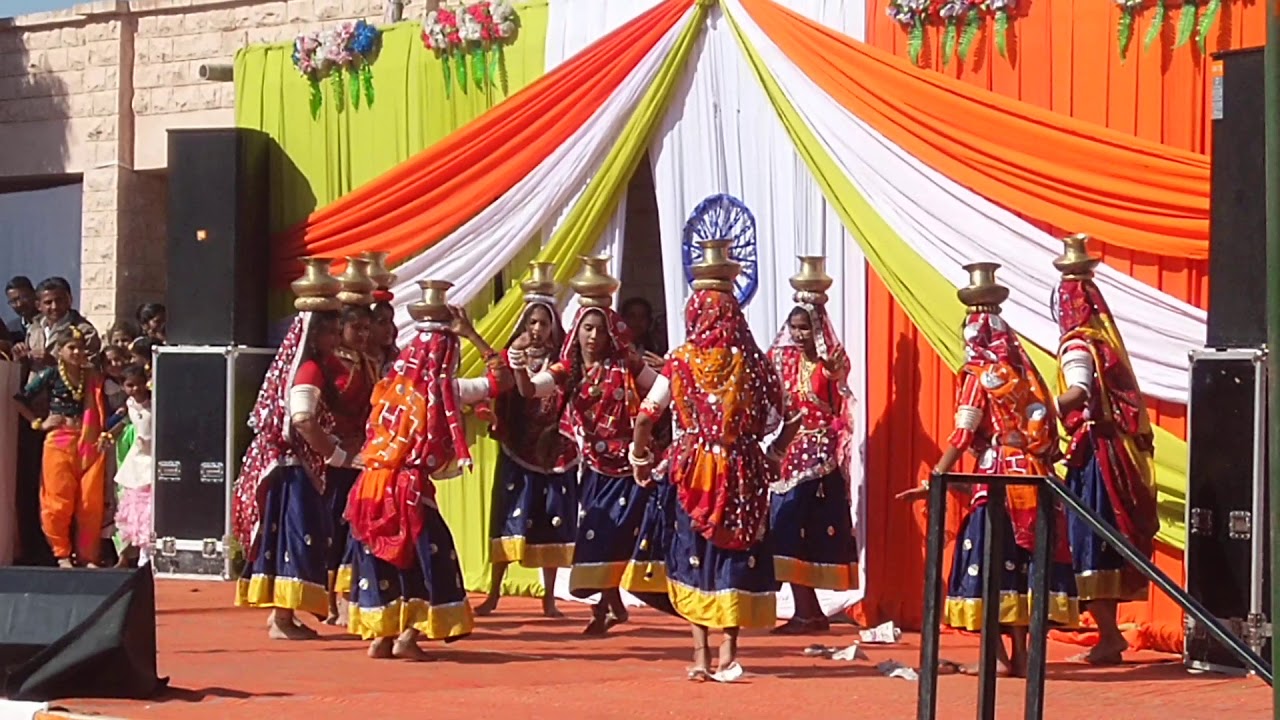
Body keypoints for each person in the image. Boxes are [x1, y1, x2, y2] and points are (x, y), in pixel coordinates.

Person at [897, 263, 1078, 677]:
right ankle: (1022, 657)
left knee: (991, 561)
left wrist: (936, 477)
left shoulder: (979, 376)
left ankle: (996, 659)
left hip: (996, 475)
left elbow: (962, 434)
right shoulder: (1027, 373)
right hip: (1034, 475)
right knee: (1022, 561)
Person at [629, 240, 794, 681]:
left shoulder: (679, 362)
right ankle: (728, 651)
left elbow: (647, 416)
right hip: (742, 469)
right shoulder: (755, 363)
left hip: (694, 469)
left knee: (694, 552)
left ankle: (700, 654)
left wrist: (640, 459)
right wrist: (773, 454)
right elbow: (783, 415)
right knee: (734, 551)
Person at [344, 282, 507, 660]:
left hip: (369, 486)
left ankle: (381, 637)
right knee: (424, 558)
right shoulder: (442, 389)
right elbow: (501, 382)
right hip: (407, 491)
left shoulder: (388, 385)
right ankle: (407, 637)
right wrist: (474, 337)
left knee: (381, 557)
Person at [514, 258, 660, 636]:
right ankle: (608, 606)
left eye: (599, 330)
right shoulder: (568, 370)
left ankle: (606, 608)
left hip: (631, 466)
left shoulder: (626, 367)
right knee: (598, 531)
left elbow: (661, 389)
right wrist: (516, 365)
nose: (592, 337)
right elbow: (531, 389)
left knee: (616, 536)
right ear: (576, 333)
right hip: (593, 467)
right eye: (586, 329)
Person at [1050, 235, 1158, 666]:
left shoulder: (1078, 344)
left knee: (1089, 540)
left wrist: (1037, 407)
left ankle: (1110, 636)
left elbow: (1078, 392)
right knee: (1098, 540)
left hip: (1092, 457)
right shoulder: (1103, 341)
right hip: (1103, 453)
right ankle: (1108, 635)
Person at [231, 273, 348, 641]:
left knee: (286, 537)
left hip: (290, 465)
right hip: (293, 468)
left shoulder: (312, 366)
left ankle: (283, 616)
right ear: (316, 335)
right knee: (295, 537)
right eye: (332, 332)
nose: (337, 339)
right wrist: (335, 454)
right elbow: (302, 419)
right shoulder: (309, 369)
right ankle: (281, 619)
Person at [476, 263, 577, 618]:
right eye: (532, 322)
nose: (537, 329)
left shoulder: (564, 362)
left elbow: (565, 400)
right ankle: (493, 594)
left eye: (544, 323)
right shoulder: (510, 356)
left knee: (550, 521)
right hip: (518, 446)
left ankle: (549, 598)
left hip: (553, 450)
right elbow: (501, 386)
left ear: (553, 327)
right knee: (508, 518)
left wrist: (559, 430)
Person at [766, 258, 859, 634]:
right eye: (795, 327)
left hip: (818, 463)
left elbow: (840, 399)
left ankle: (808, 612)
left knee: (798, 532)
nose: (799, 334)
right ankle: (810, 612)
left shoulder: (828, 365)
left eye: (806, 327)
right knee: (785, 531)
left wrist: (836, 375)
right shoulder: (782, 360)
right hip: (788, 457)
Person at [12, 326, 109, 568]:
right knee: (57, 499)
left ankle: (88, 555)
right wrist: (38, 422)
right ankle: (62, 553)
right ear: (59, 351)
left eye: (80, 348)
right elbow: (20, 399)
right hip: (59, 440)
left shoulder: (93, 378)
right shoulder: (51, 375)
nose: (76, 352)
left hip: (89, 440)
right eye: (71, 348)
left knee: (90, 500)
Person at [324, 294, 378, 625]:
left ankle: (347, 597)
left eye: (366, 328)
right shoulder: (329, 365)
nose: (361, 334)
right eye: (355, 327)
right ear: (340, 328)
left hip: (363, 457)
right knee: (331, 527)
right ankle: (328, 600)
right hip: (334, 456)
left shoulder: (370, 363)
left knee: (352, 526)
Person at [108, 364, 153, 568]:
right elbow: (121, 422)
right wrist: (108, 434)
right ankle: (131, 553)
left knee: (151, 506)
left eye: (138, 384)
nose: (135, 389)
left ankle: (149, 552)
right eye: (129, 385)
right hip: (137, 459)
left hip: (153, 456)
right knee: (136, 506)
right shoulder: (129, 404)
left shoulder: (156, 401)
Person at [21, 277, 100, 371]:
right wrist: (20, 358)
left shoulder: (84, 331)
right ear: (38, 306)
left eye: (59, 301)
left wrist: (55, 362)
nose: (54, 307)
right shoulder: (34, 328)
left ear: (69, 300)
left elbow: (91, 368)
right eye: (48, 302)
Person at [621, 296, 666, 369]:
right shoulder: (615, 348)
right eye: (632, 316)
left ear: (650, 321)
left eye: (643, 316)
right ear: (622, 319)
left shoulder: (658, 348)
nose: (637, 321)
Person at [369, 300, 400, 377]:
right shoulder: (357, 362)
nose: (389, 328)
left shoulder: (396, 358)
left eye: (390, 321)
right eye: (382, 322)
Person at [6, 276, 38, 344]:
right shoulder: (11, 329)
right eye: (13, 301)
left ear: (34, 295)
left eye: (24, 297)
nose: (19, 304)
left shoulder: (49, 322)